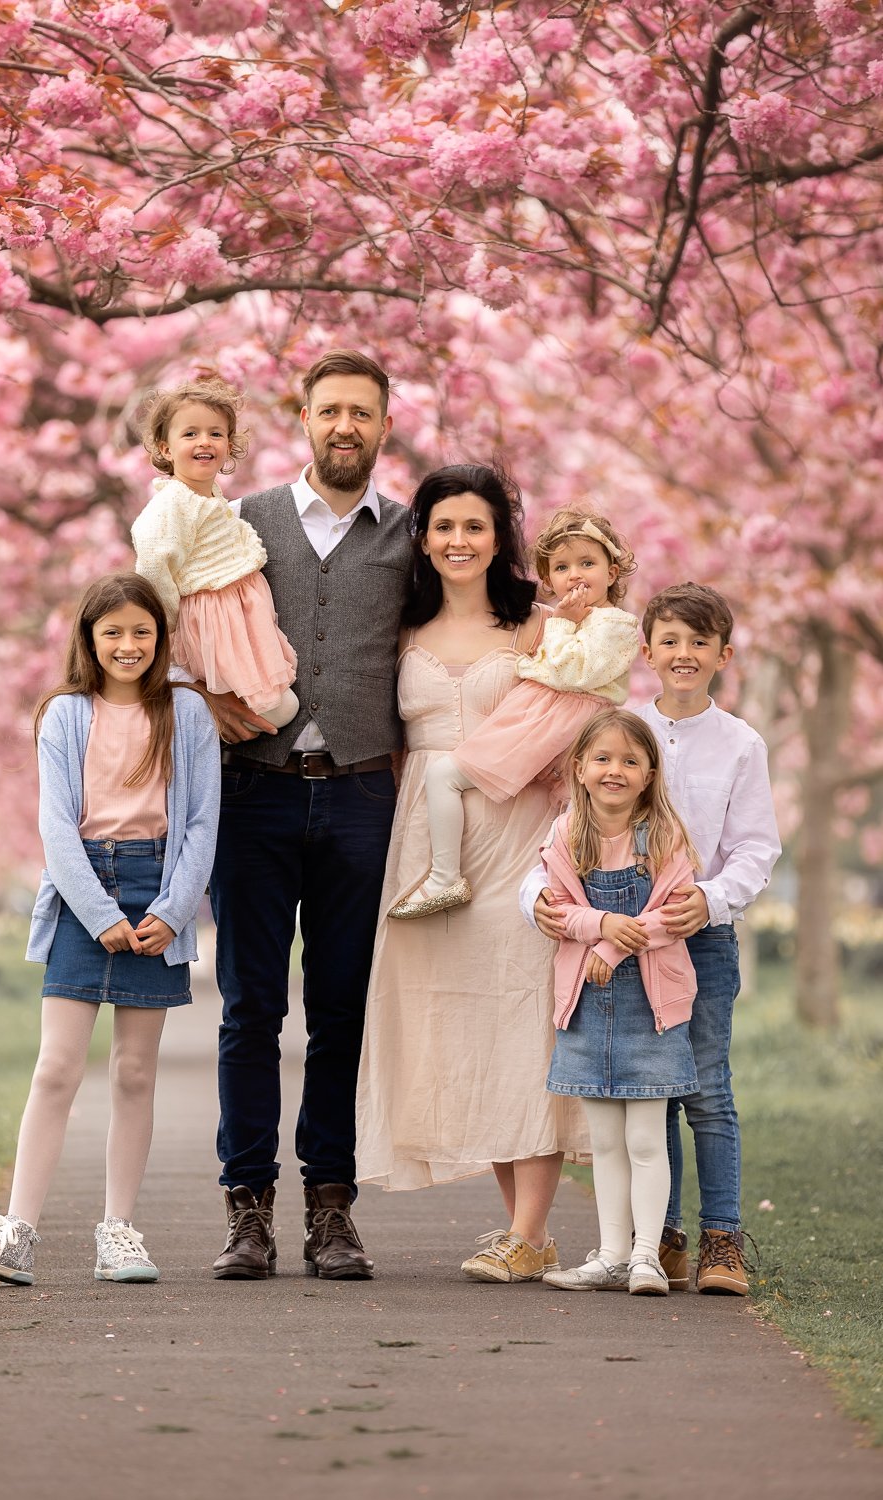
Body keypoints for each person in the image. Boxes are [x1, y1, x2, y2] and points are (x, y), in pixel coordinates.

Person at [0, 574, 220, 1286]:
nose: (128, 645)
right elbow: (56, 828)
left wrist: (170, 911)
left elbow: (199, 824)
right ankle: (17, 1233)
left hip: (158, 887)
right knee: (57, 1066)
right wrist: (100, 916)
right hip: (81, 892)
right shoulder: (64, 714)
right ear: (90, 639)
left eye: (141, 632)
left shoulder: (186, 714)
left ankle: (119, 1232)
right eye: (113, 633)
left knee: (134, 1072)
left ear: (160, 639)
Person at [357, 464, 592, 1285]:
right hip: (426, 837)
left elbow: (576, 723)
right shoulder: (400, 629)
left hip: (518, 834)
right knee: (463, 1027)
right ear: (422, 537)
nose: (460, 542)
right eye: (445, 527)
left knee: (523, 1018)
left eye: (477, 527)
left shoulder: (535, 625)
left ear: (501, 538)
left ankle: (530, 1232)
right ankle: (523, 1233)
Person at [206, 350, 412, 1280]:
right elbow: (179, 622)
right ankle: (247, 1210)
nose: (345, 427)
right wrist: (199, 696)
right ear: (303, 417)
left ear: (384, 426)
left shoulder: (412, 535)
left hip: (365, 790)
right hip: (255, 788)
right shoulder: (241, 522)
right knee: (251, 1009)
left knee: (341, 1009)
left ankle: (332, 1208)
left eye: (362, 414)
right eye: (331, 411)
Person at [388, 508, 639, 918]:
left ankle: (444, 877)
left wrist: (560, 623)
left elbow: (569, 670)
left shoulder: (617, 626)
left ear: (612, 573)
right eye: (561, 567)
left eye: (587, 563)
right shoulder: (578, 620)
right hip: (543, 710)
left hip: (559, 716)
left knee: (445, 775)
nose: (575, 575)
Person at [638, 583, 780, 1293]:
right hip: (636, 937)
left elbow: (757, 846)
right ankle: (661, 1237)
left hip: (704, 938)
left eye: (698, 642)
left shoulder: (740, 744)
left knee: (706, 1090)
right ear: (647, 651)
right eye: (670, 640)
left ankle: (722, 1240)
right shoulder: (625, 728)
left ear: (723, 655)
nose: (683, 654)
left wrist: (713, 899)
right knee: (653, 1091)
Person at [539, 709, 699, 1297]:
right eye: (603, 759)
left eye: (630, 761)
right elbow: (555, 909)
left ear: (650, 773)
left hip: (650, 1008)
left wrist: (612, 944)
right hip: (586, 1003)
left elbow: (673, 913)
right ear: (579, 768)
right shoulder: (565, 835)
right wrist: (601, 924)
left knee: (645, 1139)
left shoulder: (663, 837)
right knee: (604, 1141)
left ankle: (645, 1258)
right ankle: (609, 1254)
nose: (615, 770)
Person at [133, 376, 299, 730]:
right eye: (190, 434)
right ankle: (206, 717)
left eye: (216, 433)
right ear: (165, 449)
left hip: (238, 615)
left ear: (229, 444)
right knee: (280, 709)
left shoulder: (207, 496)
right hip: (215, 619)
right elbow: (151, 562)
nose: (204, 442)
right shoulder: (172, 503)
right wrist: (169, 622)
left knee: (281, 703)